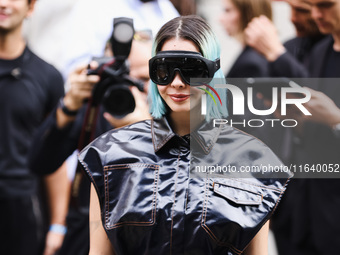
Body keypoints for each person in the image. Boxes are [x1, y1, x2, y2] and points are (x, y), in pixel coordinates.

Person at [78, 15, 292, 255]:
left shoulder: (253, 159)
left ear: (213, 70)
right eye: (164, 70)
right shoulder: (110, 155)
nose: (177, 82)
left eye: (192, 69)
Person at [0, 0, 64, 254]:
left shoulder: (47, 77)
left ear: (31, 6)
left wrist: (58, 226)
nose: (3, 3)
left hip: (22, 209)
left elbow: (55, 155)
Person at [244, 0, 325, 78]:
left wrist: (277, 54)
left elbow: (316, 89)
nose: (292, 18)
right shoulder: (290, 47)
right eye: (290, 7)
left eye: (302, 10)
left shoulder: (332, 50)